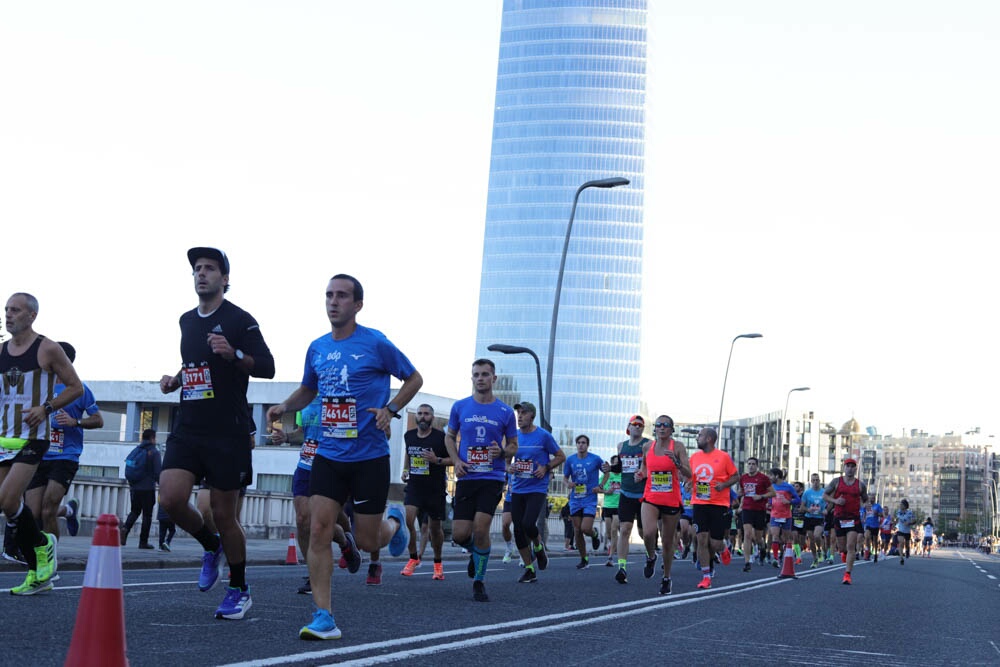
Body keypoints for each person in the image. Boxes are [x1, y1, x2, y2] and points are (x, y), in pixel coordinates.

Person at [266, 274, 421, 637]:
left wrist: (391, 409)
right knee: (318, 529)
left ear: (357, 305)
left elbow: (414, 378)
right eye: (329, 295)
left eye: (342, 296)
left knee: (367, 541)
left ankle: (394, 522)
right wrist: (285, 406)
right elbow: (309, 389)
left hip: (368, 457)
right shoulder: (317, 348)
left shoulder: (376, 343)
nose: (333, 302)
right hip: (329, 454)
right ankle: (324, 616)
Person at [158, 247, 275, 620]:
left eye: (209, 268)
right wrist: (176, 379)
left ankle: (240, 588)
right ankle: (211, 547)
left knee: (225, 515)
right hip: (188, 426)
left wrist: (234, 354)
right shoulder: (186, 321)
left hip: (228, 432)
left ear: (225, 279)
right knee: (171, 500)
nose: (201, 274)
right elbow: (194, 363)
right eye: (197, 268)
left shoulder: (240, 320)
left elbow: (268, 368)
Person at [2, 292, 83, 595]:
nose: (9, 315)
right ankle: (39, 574)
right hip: (3, 438)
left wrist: (46, 408)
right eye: (7, 309)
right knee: (7, 505)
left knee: (10, 500)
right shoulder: (0, 352)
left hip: (33, 438)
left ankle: (42, 545)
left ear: (32, 315)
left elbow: (75, 387)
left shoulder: (47, 349)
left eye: (16, 310)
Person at [444, 358, 517, 602]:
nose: (481, 378)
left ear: (494, 378)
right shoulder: (460, 406)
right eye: (476, 374)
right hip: (466, 477)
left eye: (485, 374)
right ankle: (476, 551)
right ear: (472, 377)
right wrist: (456, 460)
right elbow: (450, 437)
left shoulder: (506, 412)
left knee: (481, 526)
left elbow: (514, 445)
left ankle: (479, 581)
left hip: (492, 477)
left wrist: (503, 452)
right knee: (458, 535)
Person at [24, 342, 103, 540]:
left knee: (48, 510)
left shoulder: (79, 389)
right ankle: (65, 515)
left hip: (65, 456)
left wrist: (74, 421)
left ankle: (51, 560)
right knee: (32, 513)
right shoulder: (40, 387)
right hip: (39, 454)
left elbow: (98, 420)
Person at [508, 401, 564, 584]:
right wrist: (509, 467)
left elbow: (560, 456)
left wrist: (546, 467)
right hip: (517, 488)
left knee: (527, 524)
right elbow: (506, 459)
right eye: (518, 413)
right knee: (517, 530)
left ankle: (539, 547)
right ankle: (529, 569)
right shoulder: (514, 437)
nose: (520, 416)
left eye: (523, 413)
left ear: (532, 416)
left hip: (536, 488)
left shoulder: (543, 436)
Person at [633, 415, 690, 595]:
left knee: (667, 542)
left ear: (671, 429)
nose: (662, 428)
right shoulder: (647, 446)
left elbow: (689, 473)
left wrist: (677, 462)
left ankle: (666, 577)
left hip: (671, 499)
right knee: (648, 532)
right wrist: (640, 475)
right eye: (658, 425)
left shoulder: (678, 447)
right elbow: (644, 467)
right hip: (651, 496)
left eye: (666, 425)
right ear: (655, 428)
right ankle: (651, 556)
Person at [400, 403, 451, 581]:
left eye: (426, 414)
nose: (422, 417)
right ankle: (413, 557)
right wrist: (405, 470)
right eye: (420, 413)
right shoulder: (409, 435)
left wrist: (435, 459)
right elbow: (409, 453)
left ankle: (438, 563)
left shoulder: (441, 438)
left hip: (435, 489)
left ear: (432, 417)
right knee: (408, 519)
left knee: (435, 530)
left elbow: (453, 459)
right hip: (415, 486)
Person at [689, 427, 738, 590]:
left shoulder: (723, 457)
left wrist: (724, 485)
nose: (697, 438)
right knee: (701, 539)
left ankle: (723, 548)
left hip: (719, 504)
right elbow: (690, 476)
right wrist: (688, 483)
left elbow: (736, 476)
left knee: (714, 543)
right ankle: (706, 576)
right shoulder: (695, 457)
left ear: (709, 438)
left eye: (700, 436)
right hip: (699, 503)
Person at [613, 415, 652, 584]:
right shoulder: (621, 445)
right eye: (634, 424)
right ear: (629, 427)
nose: (637, 427)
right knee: (625, 529)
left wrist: (644, 474)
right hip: (626, 493)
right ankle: (622, 567)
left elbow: (654, 466)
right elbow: (621, 467)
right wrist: (611, 468)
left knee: (645, 533)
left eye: (641, 425)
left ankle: (651, 556)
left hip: (644, 495)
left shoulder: (648, 445)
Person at [822, 458, 869, 585]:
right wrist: (836, 501)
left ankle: (847, 574)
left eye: (852, 466)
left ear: (855, 469)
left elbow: (866, 499)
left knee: (850, 546)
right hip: (839, 517)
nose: (850, 468)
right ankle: (844, 553)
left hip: (853, 518)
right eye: (848, 466)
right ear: (844, 468)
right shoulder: (836, 482)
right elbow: (825, 495)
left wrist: (865, 506)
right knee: (842, 547)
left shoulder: (860, 485)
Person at [563, 434, 606, 570]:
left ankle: (594, 534)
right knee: (577, 530)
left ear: (588, 445)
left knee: (585, 528)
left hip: (589, 499)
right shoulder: (570, 460)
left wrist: (600, 486)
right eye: (579, 443)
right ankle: (584, 558)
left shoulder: (595, 459)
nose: (581, 445)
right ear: (576, 445)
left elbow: (607, 473)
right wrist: (567, 483)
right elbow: (565, 477)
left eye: (584, 443)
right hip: (575, 499)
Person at [121, 429, 162, 548]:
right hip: (148, 488)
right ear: (152, 438)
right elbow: (158, 473)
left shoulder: (136, 450)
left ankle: (125, 529)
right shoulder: (154, 452)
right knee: (147, 515)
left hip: (134, 487)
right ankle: (143, 542)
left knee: (134, 511)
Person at [738, 456, 774, 572]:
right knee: (747, 534)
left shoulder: (763, 478)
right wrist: (740, 493)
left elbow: (773, 493)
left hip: (759, 510)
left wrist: (761, 496)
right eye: (749, 464)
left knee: (758, 538)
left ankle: (762, 548)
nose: (751, 466)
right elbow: (741, 491)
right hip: (747, 509)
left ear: (757, 466)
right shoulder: (743, 478)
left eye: (753, 464)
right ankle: (747, 562)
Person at [765, 468, 801, 567]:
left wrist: (789, 501)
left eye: (771, 475)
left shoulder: (788, 487)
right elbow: (770, 499)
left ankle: (782, 555)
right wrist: (769, 504)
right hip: (775, 515)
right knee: (775, 536)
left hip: (786, 515)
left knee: (785, 538)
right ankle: (775, 558)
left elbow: (798, 499)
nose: (769, 477)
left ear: (777, 476)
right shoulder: (771, 487)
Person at [597, 454, 622, 567]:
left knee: (613, 529)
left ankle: (610, 557)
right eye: (615, 463)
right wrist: (606, 491)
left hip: (619, 506)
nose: (617, 465)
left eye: (618, 463)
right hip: (607, 506)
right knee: (608, 533)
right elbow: (598, 488)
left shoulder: (623, 475)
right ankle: (613, 545)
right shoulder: (607, 475)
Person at [801, 473, 827, 568]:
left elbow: (830, 504)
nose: (815, 482)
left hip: (819, 518)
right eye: (813, 480)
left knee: (817, 535)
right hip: (809, 517)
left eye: (817, 480)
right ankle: (815, 558)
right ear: (811, 482)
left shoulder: (824, 492)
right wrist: (808, 509)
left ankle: (819, 550)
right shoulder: (807, 493)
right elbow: (802, 507)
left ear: (820, 481)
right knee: (811, 539)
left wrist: (826, 510)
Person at [862, 496, 884, 562]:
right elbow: (864, 513)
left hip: (875, 525)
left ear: (874, 499)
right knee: (867, 537)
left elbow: (882, 515)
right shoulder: (866, 506)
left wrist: (876, 513)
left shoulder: (877, 506)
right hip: (868, 524)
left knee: (875, 541)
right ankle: (867, 552)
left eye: (873, 498)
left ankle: (875, 554)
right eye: (870, 498)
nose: (871, 499)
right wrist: (863, 518)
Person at [894, 499, 915, 564]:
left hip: (907, 531)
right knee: (901, 542)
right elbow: (896, 519)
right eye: (900, 504)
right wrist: (894, 522)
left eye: (901, 504)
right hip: (900, 530)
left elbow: (914, 521)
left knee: (907, 544)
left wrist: (909, 523)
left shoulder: (910, 512)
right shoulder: (898, 512)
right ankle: (901, 558)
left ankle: (907, 550)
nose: (900, 505)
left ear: (905, 506)